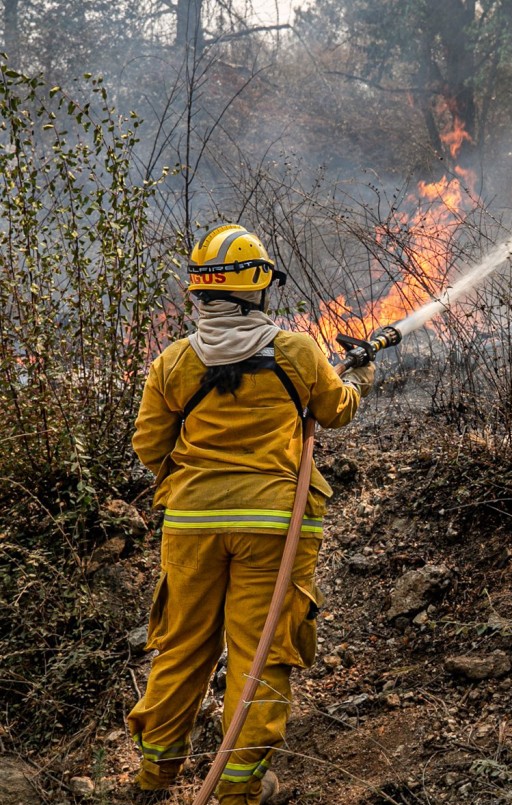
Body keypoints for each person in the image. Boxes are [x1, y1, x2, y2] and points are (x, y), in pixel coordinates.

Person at [126, 224, 374, 804]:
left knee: (182, 647)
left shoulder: (173, 362)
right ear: (257, 286)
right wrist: (358, 376)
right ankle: (238, 791)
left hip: (190, 525)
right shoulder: (296, 351)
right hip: (274, 526)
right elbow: (335, 411)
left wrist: (191, 486)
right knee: (260, 650)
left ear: (201, 292)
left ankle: (153, 777)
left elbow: (147, 444)